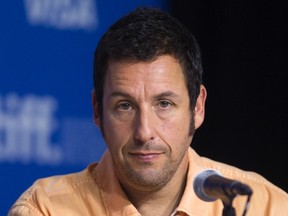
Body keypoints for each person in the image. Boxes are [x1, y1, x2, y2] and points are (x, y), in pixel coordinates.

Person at [8, 6, 288, 216]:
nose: (144, 132)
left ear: (197, 107)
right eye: (125, 106)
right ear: (97, 111)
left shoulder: (265, 207)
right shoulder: (45, 209)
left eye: (164, 104)